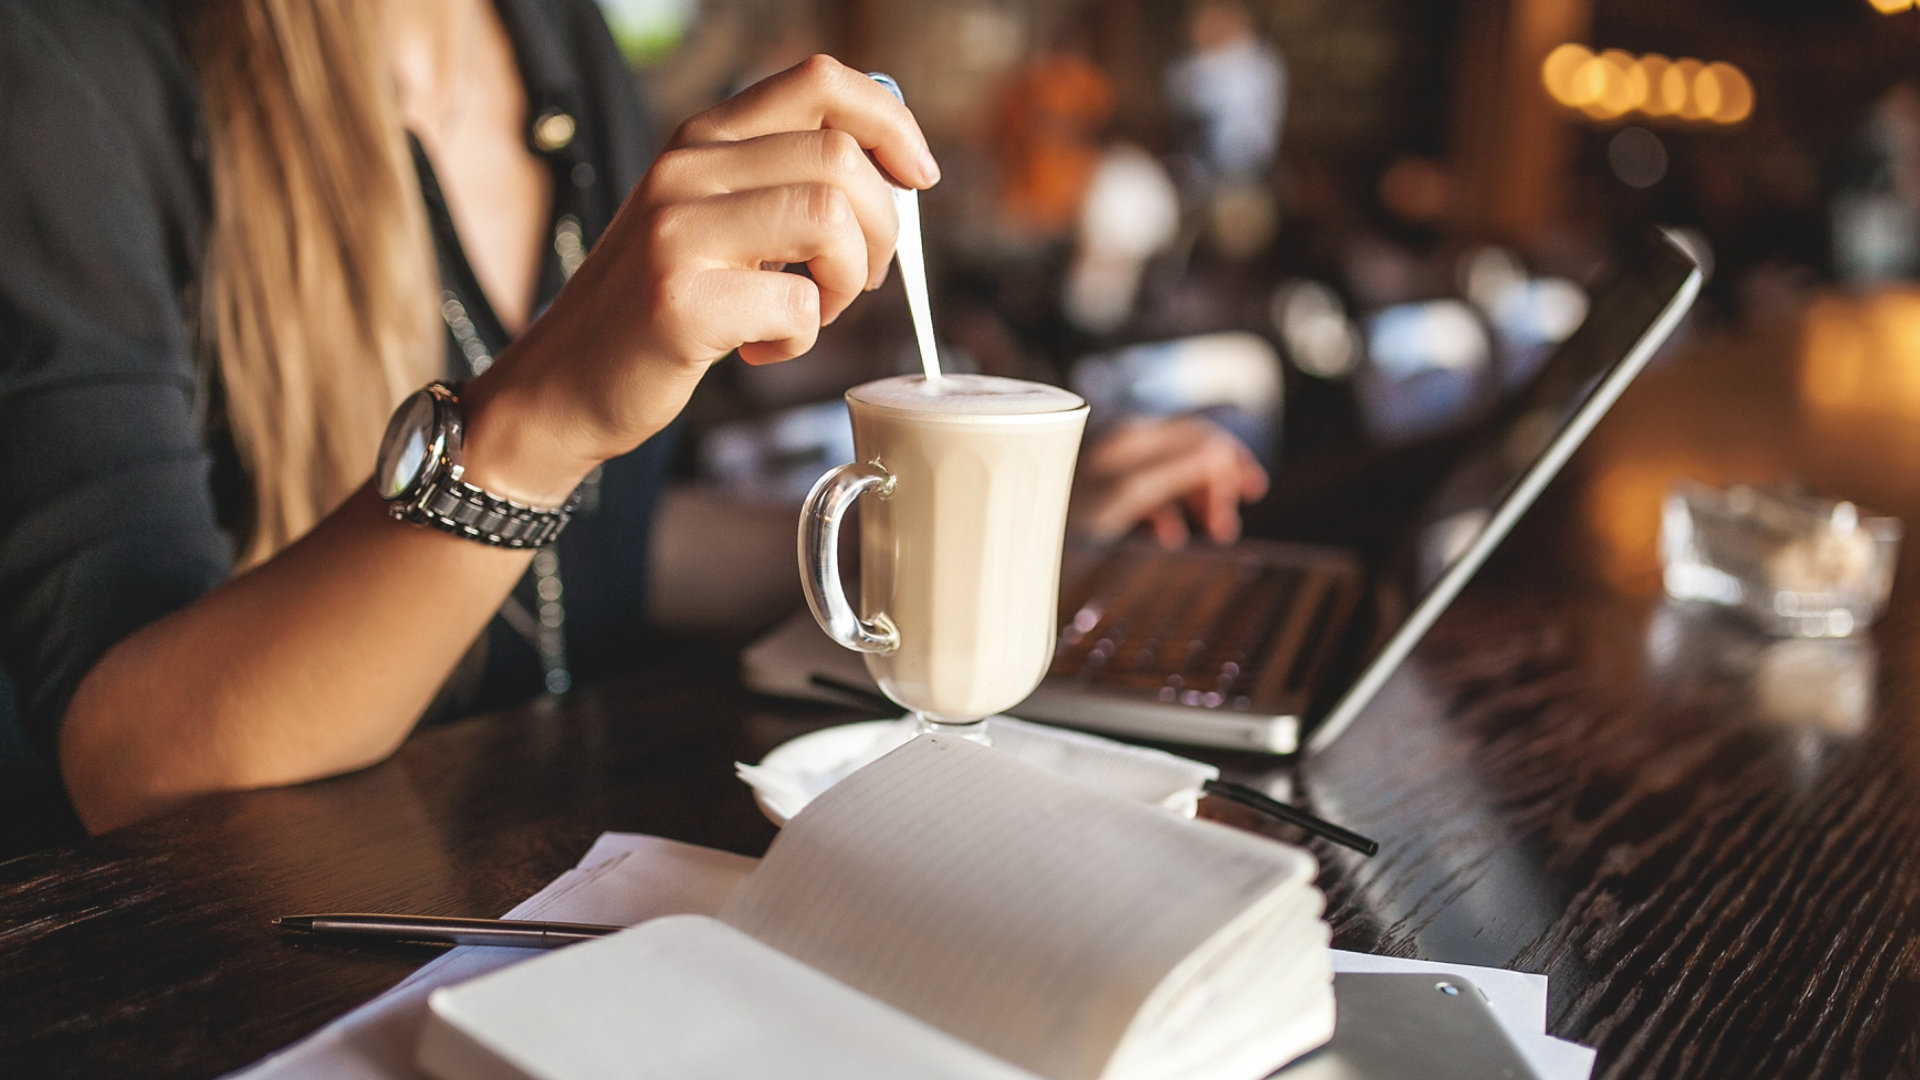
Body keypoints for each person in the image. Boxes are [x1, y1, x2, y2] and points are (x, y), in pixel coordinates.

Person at [0, 0, 1262, 854]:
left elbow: (612, 545)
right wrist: (536, 415)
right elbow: (128, 758)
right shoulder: (71, 74)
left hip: (573, 892)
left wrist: (971, 522)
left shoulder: (561, 50)